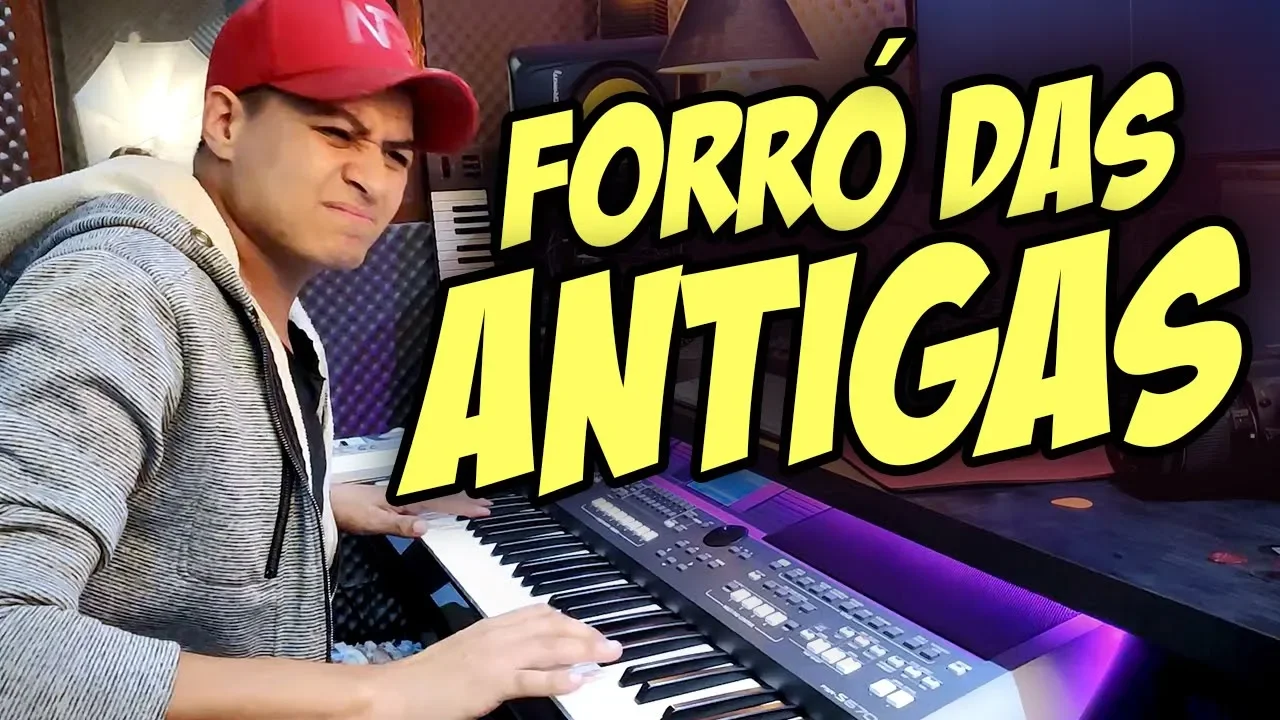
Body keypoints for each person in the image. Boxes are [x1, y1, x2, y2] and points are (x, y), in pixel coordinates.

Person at [0, 0, 621, 718]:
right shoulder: (117, 291)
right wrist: (384, 692)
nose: (373, 179)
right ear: (225, 123)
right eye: (336, 133)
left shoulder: (276, 311)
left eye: (396, 154)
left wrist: (316, 504)